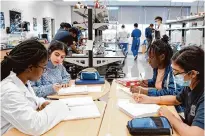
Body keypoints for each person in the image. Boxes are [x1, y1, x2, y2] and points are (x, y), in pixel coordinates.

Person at [1, 40, 71, 135]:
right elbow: (35, 126)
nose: (44, 70)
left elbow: (31, 99)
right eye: (44, 67)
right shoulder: (8, 90)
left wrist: (41, 102)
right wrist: (61, 106)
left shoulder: (23, 82)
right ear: (30, 68)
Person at [133, 46, 204, 136]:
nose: (174, 75)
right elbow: (176, 99)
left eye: (177, 72)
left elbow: (195, 134)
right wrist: (148, 99)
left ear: (192, 74)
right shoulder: (190, 85)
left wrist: (171, 117)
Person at [130, 35, 183, 112]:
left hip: (174, 109)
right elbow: (156, 82)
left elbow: (173, 94)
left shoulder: (172, 71)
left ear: (162, 57)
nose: (149, 61)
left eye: (151, 57)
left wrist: (146, 91)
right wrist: (147, 83)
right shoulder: (157, 68)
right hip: (161, 103)